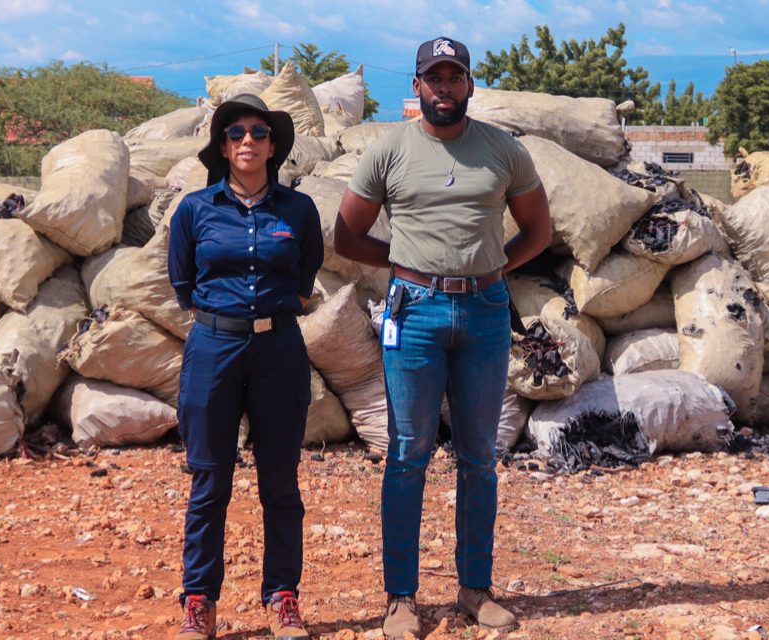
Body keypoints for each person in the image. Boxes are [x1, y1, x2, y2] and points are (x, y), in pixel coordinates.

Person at [334, 37, 552, 638]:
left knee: (480, 457)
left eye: (455, 77)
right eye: (435, 77)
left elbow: (537, 229)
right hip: (416, 311)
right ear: (418, 85)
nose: (445, 87)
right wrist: (406, 262)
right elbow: (347, 237)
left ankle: (474, 591)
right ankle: (401, 598)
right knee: (407, 455)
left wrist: (495, 268)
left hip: (484, 312)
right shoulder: (389, 151)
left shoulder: (502, 150)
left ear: (471, 85)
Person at [168, 93, 323, 640]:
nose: (248, 141)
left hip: (279, 349)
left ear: (274, 145)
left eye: (259, 132)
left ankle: (282, 596)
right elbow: (183, 282)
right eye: (236, 133)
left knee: (280, 481)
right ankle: (199, 601)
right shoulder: (194, 209)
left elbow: (305, 277)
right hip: (214, 349)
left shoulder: (298, 210)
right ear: (222, 146)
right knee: (210, 479)